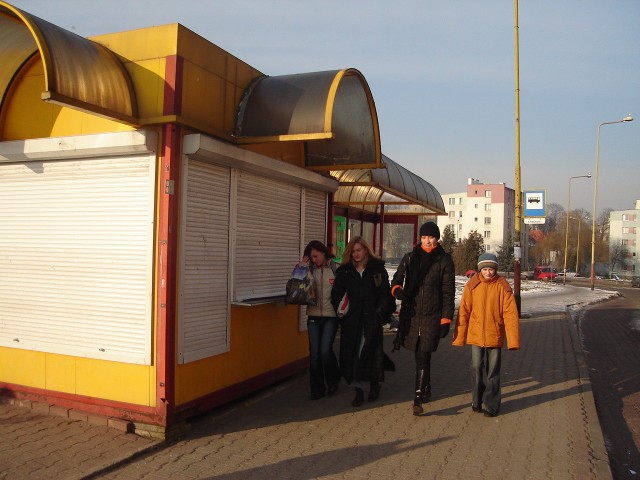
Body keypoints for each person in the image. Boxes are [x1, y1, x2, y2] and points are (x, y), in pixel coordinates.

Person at [390, 221, 455, 415]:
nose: (427, 241)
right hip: (412, 313)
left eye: (431, 237)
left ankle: (418, 397)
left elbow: (448, 292)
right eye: (424, 237)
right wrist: (397, 290)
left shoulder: (444, 260)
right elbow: (397, 277)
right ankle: (425, 386)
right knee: (419, 354)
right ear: (420, 238)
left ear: (437, 239)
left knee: (424, 354)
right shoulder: (410, 258)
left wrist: (446, 319)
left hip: (432, 315)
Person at [452, 252, 520, 417]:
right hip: (476, 336)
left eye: (491, 269)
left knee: (492, 371)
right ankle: (476, 399)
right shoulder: (472, 285)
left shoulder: (502, 286)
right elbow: (464, 311)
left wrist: (513, 340)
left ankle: (491, 404)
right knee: (476, 367)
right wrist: (460, 336)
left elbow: (510, 314)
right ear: (480, 269)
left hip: (494, 335)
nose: (488, 272)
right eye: (485, 269)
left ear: (495, 269)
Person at [331, 236, 396, 407]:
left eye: (359, 250)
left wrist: (379, 312)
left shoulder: (376, 269)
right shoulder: (345, 271)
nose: (356, 254)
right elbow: (336, 294)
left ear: (366, 250)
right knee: (353, 355)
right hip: (351, 321)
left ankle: (375, 385)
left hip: (371, 319)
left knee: (371, 353)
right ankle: (358, 390)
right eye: (353, 251)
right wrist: (342, 313)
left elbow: (385, 294)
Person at [302, 240, 341, 400]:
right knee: (314, 354)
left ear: (323, 252)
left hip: (331, 316)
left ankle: (333, 380)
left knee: (325, 351)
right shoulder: (309, 269)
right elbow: (297, 284)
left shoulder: (335, 268)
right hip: (313, 315)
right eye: (311, 257)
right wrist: (302, 266)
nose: (314, 259)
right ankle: (317, 389)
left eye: (316, 256)